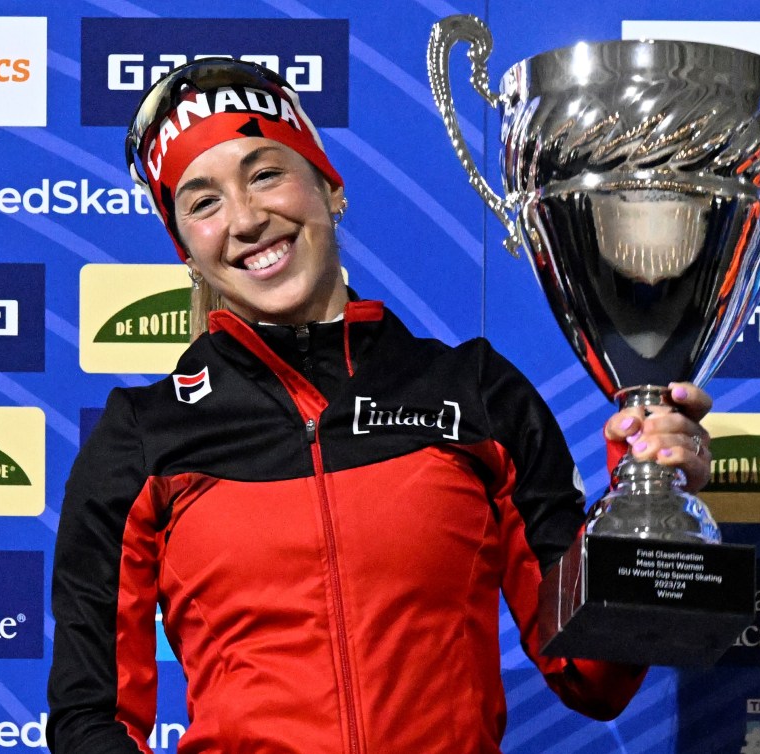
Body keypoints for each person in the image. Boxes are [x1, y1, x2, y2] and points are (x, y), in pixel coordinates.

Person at [46, 58, 714, 754]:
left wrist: (645, 500)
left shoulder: (475, 392)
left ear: (329, 187)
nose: (244, 219)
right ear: (185, 248)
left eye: (265, 172)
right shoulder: (143, 436)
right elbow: (90, 719)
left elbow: (591, 677)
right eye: (202, 201)